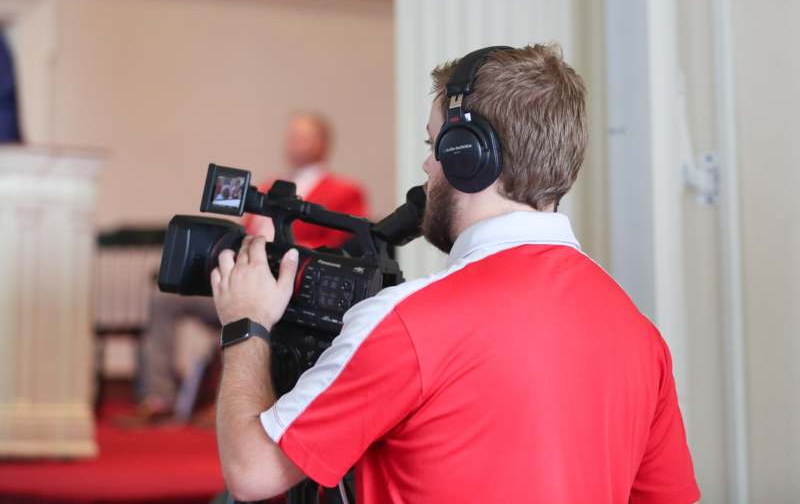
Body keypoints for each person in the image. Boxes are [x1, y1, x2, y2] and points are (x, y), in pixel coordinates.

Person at [210, 45, 701, 503]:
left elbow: (253, 471)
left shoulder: (404, 324)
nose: (427, 164)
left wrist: (245, 323)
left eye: (434, 144)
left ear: (469, 157)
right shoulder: (640, 336)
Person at [128, 112, 367, 424]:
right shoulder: (265, 189)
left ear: (322, 143)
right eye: (291, 136)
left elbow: (344, 247)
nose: (293, 143)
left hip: (291, 294)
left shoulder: (344, 192)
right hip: (243, 281)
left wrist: (284, 247)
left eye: (302, 136)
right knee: (165, 299)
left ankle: (236, 403)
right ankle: (159, 397)